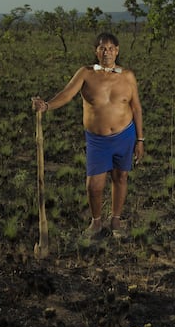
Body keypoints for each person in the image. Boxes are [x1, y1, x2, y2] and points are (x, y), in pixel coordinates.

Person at [32, 32, 144, 237]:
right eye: (103, 48)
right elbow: (66, 94)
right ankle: (96, 222)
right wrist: (47, 106)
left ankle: (116, 220)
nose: (107, 52)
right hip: (98, 140)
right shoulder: (85, 73)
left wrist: (140, 139)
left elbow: (136, 107)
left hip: (124, 135)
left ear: (117, 51)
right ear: (96, 51)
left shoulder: (127, 76)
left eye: (111, 48)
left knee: (121, 176)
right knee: (94, 185)